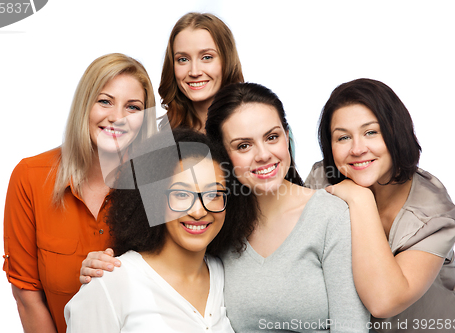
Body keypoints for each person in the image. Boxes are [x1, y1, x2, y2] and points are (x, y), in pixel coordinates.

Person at [80, 83, 370, 332]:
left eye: (272, 137)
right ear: (222, 155)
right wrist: (102, 270)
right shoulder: (219, 228)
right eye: (243, 145)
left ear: (287, 135)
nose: (263, 155)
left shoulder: (330, 215)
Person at [3, 53, 158, 333]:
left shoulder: (158, 184)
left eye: (133, 107)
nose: (117, 118)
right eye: (105, 101)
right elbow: (27, 297)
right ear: (84, 105)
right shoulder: (30, 176)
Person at [305, 78, 455, 332]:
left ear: (396, 132)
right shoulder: (321, 180)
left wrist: (360, 200)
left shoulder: (434, 214)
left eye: (371, 132)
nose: (357, 149)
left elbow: (384, 302)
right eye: (343, 137)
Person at [65, 128, 257, 332]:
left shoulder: (223, 275)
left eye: (213, 194)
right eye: (182, 194)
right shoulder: (111, 283)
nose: (199, 211)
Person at [158, 12, 243, 131]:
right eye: (183, 59)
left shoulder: (252, 122)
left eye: (207, 57)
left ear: (227, 60)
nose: (194, 72)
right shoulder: (164, 138)